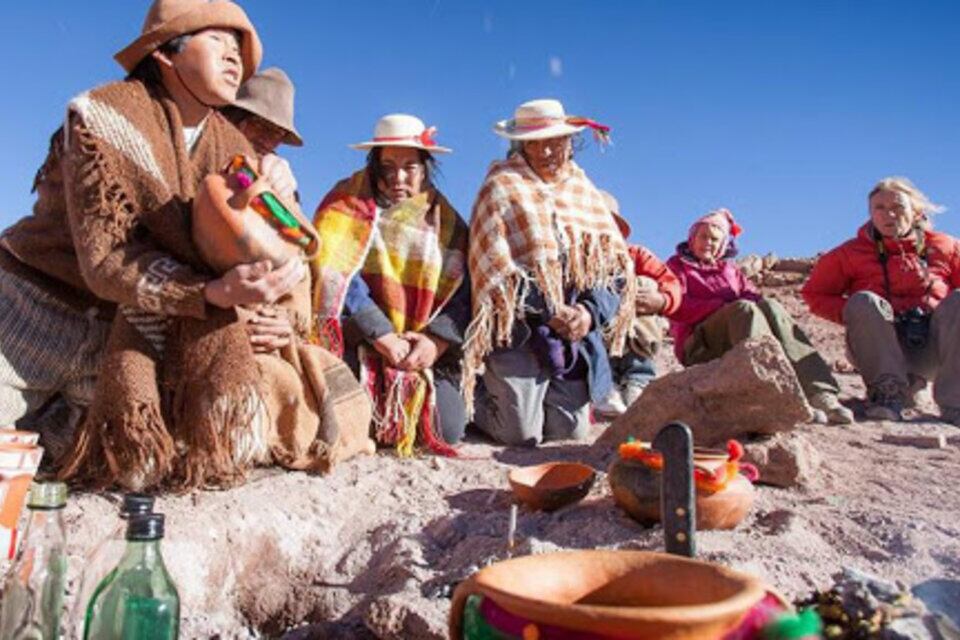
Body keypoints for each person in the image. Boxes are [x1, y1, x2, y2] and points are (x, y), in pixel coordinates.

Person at [0, 0, 369, 490]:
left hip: (124, 333)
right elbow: (106, 262)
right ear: (165, 54)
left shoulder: (232, 155)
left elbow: (269, 247)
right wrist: (211, 295)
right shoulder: (103, 117)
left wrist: (283, 266)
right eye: (216, 39)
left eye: (239, 45)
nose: (234, 55)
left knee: (132, 465)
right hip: (36, 307)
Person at [464, 99, 636, 446]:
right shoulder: (500, 187)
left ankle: (537, 395)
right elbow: (497, 272)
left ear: (571, 143)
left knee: (569, 432)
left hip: (575, 330)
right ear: (520, 145)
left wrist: (588, 312)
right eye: (535, 142)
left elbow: (614, 270)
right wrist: (549, 308)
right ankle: (472, 395)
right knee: (520, 434)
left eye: (555, 141)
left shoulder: (586, 193)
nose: (546, 151)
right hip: (521, 327)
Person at [312, 114, 470, 454]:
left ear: (425, 168)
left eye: (410, 167)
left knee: (448, 429)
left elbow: (461, 289)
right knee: (345, 419)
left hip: (419, 345)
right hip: (359, 338)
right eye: (388, 166)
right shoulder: (345, 203)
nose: (399, 177)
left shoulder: (449, 223)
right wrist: (381, 334)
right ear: (374, 166)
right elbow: (335, 272)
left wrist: (435, 341)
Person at [668, 208, 853, 425]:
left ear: (724, 244)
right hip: (699, 346)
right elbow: (676, 305)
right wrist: (722, 306)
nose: (708, 243)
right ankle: (773, 392)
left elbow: (752, 295)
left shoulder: (731, 271)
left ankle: (820, 392)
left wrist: (748, 304)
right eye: (703, 237)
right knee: (743, 309)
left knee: (771, 306)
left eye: (714, 239)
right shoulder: (677, 266)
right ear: (692, 239)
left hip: (738, 335)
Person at [802, 177, 960, 423]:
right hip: (879, 348)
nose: (890, 215)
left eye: (898, 208)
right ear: (870, 214)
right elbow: (814, 294)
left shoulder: (946, 246)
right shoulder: (850, 253)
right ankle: (887, 397)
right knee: (863, 301)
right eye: (880, 208)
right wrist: (859, 315)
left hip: (935, 349)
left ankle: (955, 405)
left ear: (915, 212)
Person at [593, 192, 681, 418]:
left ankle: (638, 379)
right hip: (601, 331)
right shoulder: (580, 260)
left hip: (637, 326)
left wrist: (661, 301)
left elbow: (670, 283)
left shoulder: (637, 255)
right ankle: (607, 382)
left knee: (644, 284)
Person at [221, 66, 303, 156]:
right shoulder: (207, 145)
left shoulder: (268, 167)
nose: (267, 141)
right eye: (260, 124)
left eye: (278, 133)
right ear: (233, 117)